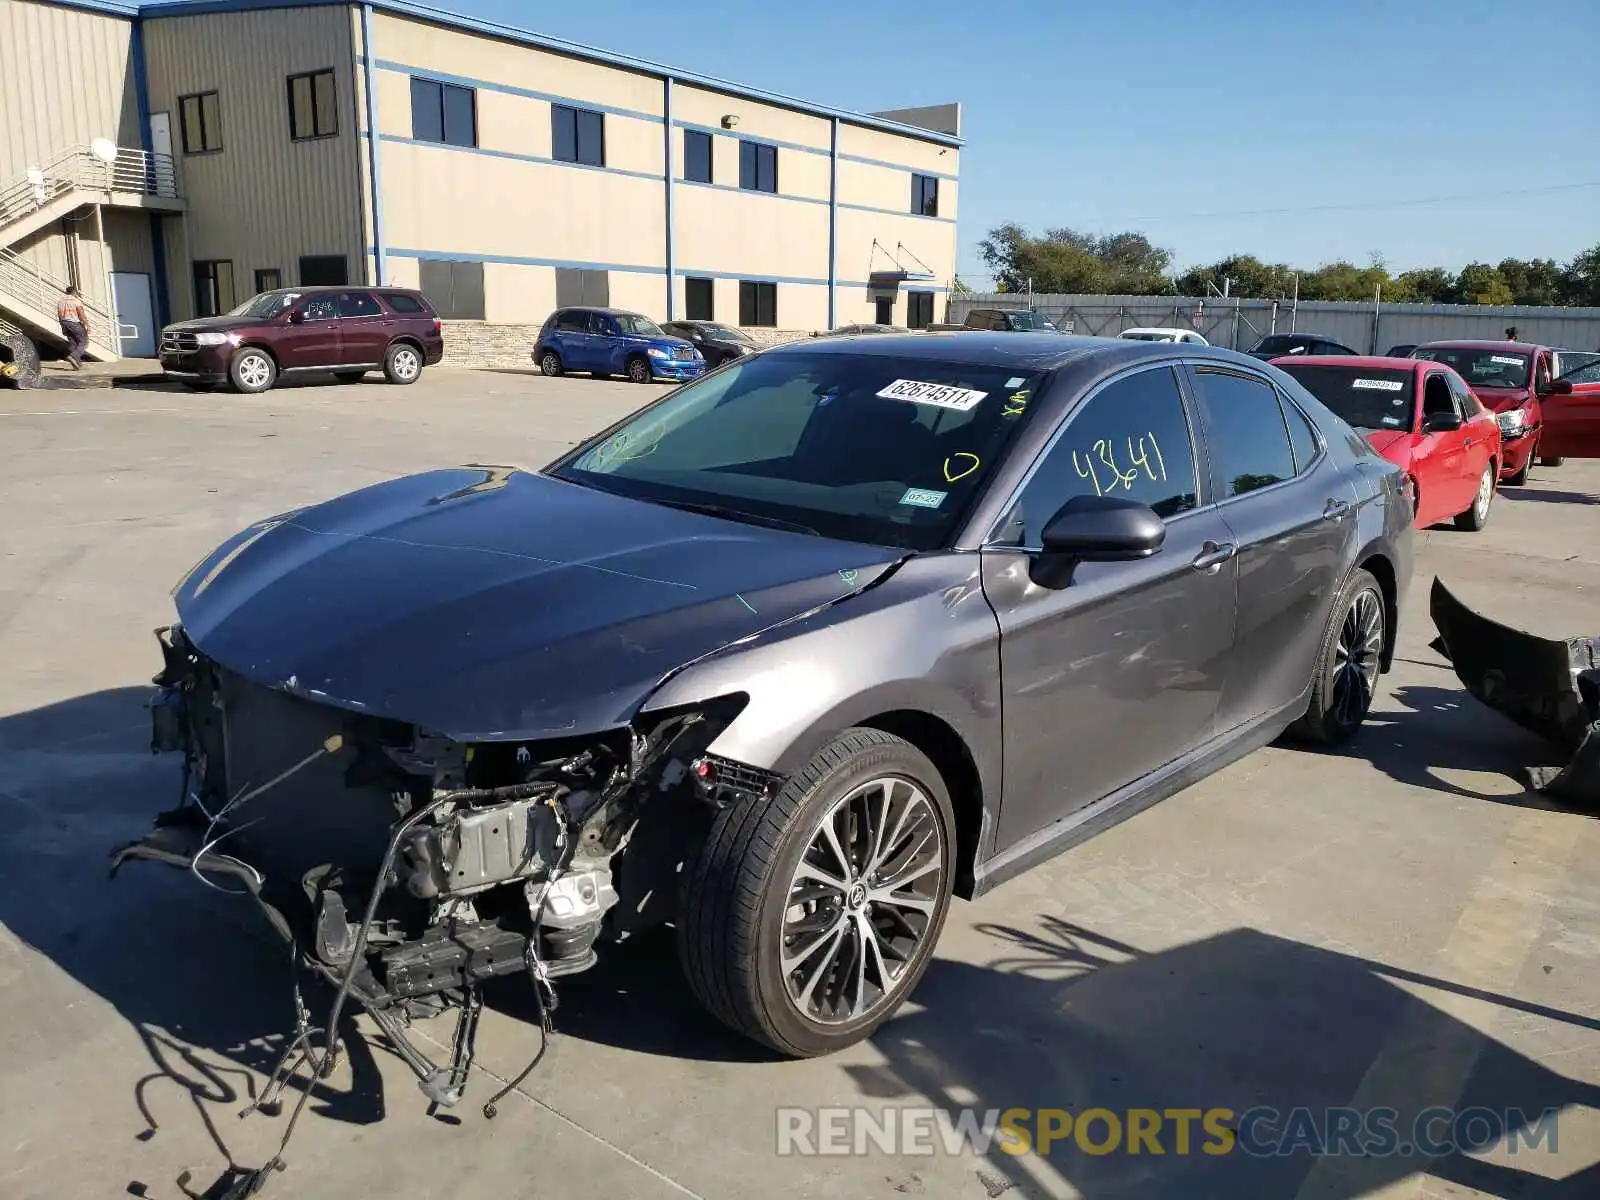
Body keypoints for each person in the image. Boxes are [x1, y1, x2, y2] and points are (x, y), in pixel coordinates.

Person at [57, 285, 90, 370]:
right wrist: (87, 325)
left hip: (64, 323)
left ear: (66, 292)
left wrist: (62, 326)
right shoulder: (76, 301)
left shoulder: (60, 301)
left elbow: (60, 315)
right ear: (74, 292)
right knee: (84, 341)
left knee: (73, 343)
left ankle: (77, 364)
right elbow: (81, 315)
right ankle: (73, 356)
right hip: (73, 323)